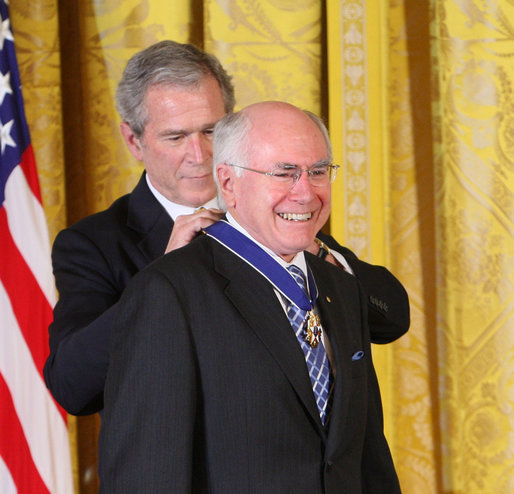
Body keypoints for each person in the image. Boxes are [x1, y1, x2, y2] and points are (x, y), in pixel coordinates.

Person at [44, 40, 409, 416]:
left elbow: (391, 320)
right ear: (134, 141)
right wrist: (159, 279)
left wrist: (318, 254)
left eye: (210, 131)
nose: (200, 155)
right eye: (176, 137)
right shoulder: (93, 244)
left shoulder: (279, 206)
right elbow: (73, 387)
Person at [98, 101, 402, 493]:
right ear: (228, 183)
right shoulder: (169, 293)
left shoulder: (340, 286)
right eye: (284, 173)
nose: (305, 192)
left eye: (318, 172)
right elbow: (146, 477)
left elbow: (367, 458)